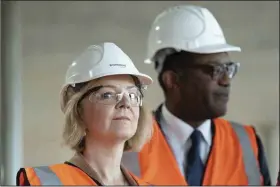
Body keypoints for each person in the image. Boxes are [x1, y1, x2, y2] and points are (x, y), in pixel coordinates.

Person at [121, 5, 271, 185]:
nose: (226, 80)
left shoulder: (248, 142)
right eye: (215, 70)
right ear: (172, 80)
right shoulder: (126, 141)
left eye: (229, 69)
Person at [16, 42, 154, 185]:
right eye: (107, 95)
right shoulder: (44, 182)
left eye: (132, 95)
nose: (125, 103)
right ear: (79, 111)